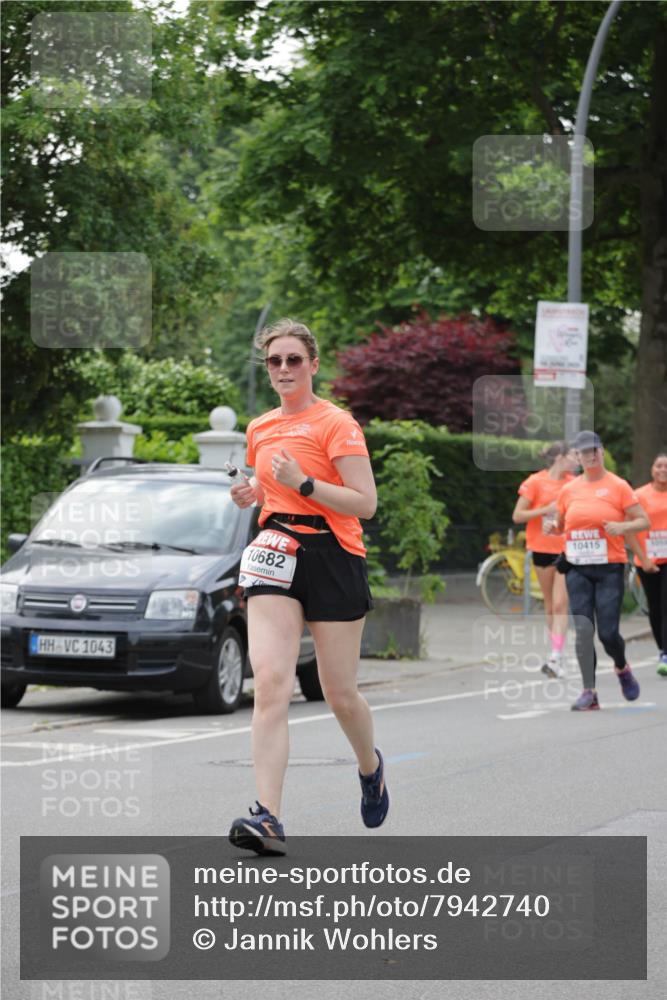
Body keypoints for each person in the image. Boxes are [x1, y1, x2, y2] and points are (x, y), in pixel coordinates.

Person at [227, 318, 388, 855]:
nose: (284, 369)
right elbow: (270, 486)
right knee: (271, 683)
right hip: (275, 549)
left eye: (294, 359)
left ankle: (370, 767)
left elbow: (364, 502)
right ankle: (268, 817)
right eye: (275, 361)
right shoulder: (259, 427)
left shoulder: (336, 423)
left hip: (334, 554)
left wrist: (306, 484)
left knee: (340, 694)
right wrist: (253, 492)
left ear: (313, 365)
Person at [548, 430, 653, 711]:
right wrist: (551, 527)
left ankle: (621, 667)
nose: (590, 455)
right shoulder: (569, 490)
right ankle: (589, 691)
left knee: (608, 633)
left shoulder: (618, 486)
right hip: (577, 568)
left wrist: (623, 527)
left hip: (609, 567)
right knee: (583, 630)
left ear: (602, 451)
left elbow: (643, 521)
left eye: (594, 450)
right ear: (578, 457)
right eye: (584, 452)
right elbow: (560, 524)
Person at [512, 442, 578, 678]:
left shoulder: (574, 484)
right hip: (541, 548)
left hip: (566, 549)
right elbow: (517, 515)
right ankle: (556, 652)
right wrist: (544, 509)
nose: (577, 460)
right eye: (573, 455)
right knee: (550, 604)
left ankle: (555, 657)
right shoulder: (535, 482)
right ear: (560, 457)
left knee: (561, 604)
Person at [633, 452, 667, 675]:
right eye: (659, 466)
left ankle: (666, 653)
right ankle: (662, 649)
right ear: (652, 469)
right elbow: (631, 529)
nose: (663, 470)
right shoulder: (639, 495)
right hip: (646, 559)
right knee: (655, 608)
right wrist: (643, 559)